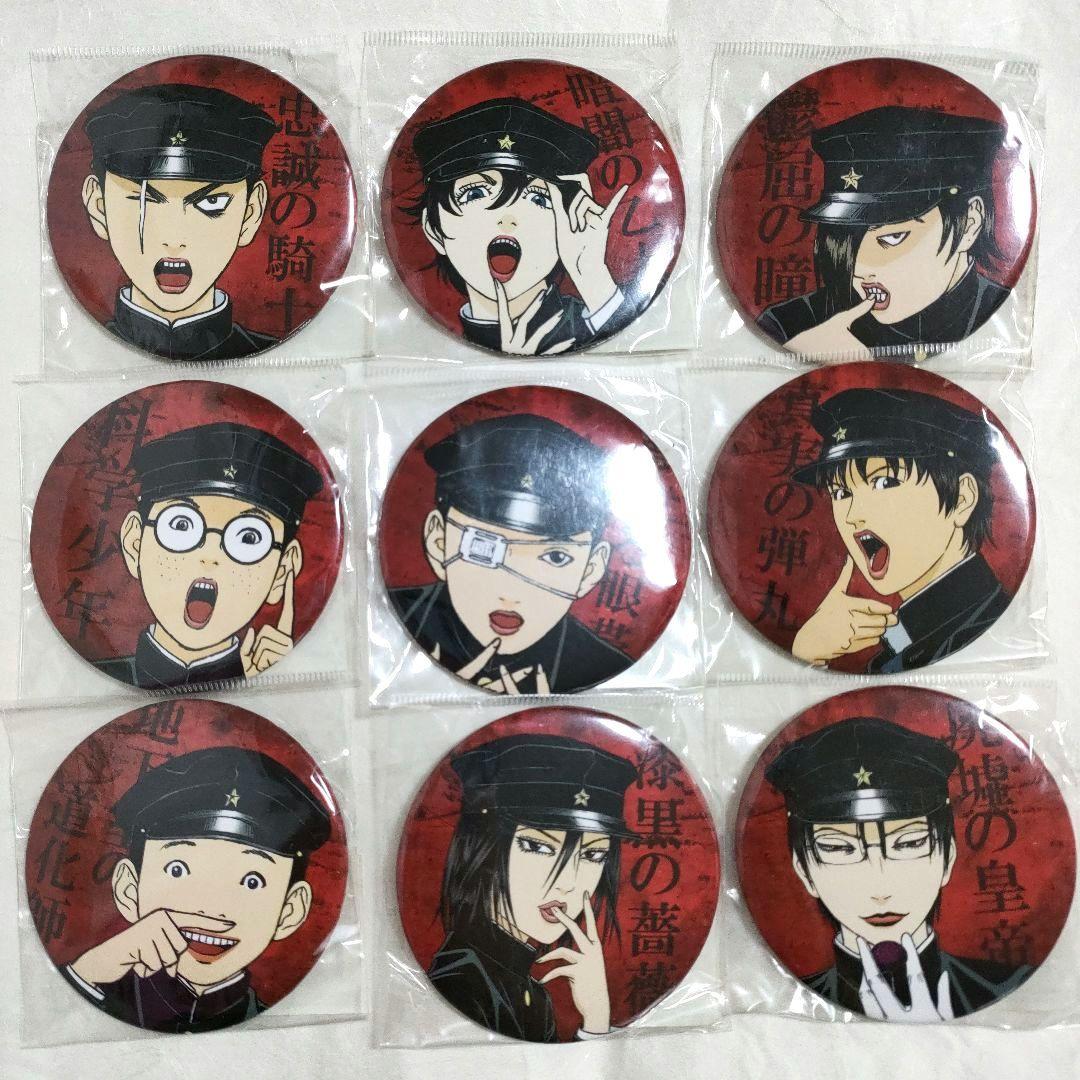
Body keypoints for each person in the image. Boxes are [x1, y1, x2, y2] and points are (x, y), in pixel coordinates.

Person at [765, 716, 1032, 1020]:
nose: (880, 890)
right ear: (803, 870)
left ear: (947, 857)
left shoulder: (1006, 985)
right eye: (839, 848)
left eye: (909, 844)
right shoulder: (789, 1007)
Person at [63, 746, 332, 1033]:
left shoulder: (286, 1025)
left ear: (290, 911)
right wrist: (86, 975)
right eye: (177, 870)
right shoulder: (90, 983)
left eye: (252, 881)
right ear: (129, 889)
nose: (211, 910)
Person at [388, 413, 631, 694]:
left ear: (591, 569)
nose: (510, 594)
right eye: (483, 548)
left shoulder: (604, 664)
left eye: (555, 557)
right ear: (438, 541)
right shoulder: (388, 631)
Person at [789, 387, 1011, 672]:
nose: (853, 515)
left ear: (962, 498)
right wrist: (808, 652)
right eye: (840, 493)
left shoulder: (982, 633)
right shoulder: (910, 636)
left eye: (885, 482)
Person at [428, 733, 635, 1040]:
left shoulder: (528, 991)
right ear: (484, 847)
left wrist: (596, 1014)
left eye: (592, 855)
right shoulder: (461, 982)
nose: (567, 883)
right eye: (538, 847)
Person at [756, 106, 1009, 354]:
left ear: (970, 223)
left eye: (893, 237)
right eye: (845, 237)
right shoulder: (792, 323)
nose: (859, 269)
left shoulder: (1002, 323)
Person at [94, 421, 323, 689]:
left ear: (282, 572)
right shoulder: (100, 675)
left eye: (249, 538)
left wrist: (273, 683)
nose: (210, 556)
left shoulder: (280, 675)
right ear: (135, 543)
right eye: (181, 525)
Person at [409, 97, 637, 355]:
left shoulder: (598, 315)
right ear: (433, 230)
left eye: (539, 198)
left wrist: (593, 277)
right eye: (475, 193)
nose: (508, 218)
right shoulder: (427, 340)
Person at [81, 84, 278, 360]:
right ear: (98, 206)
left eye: (211, 203)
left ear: (251, 212)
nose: (174, 239)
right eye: (143, 200)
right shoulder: (83, 351)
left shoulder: (280, 354)